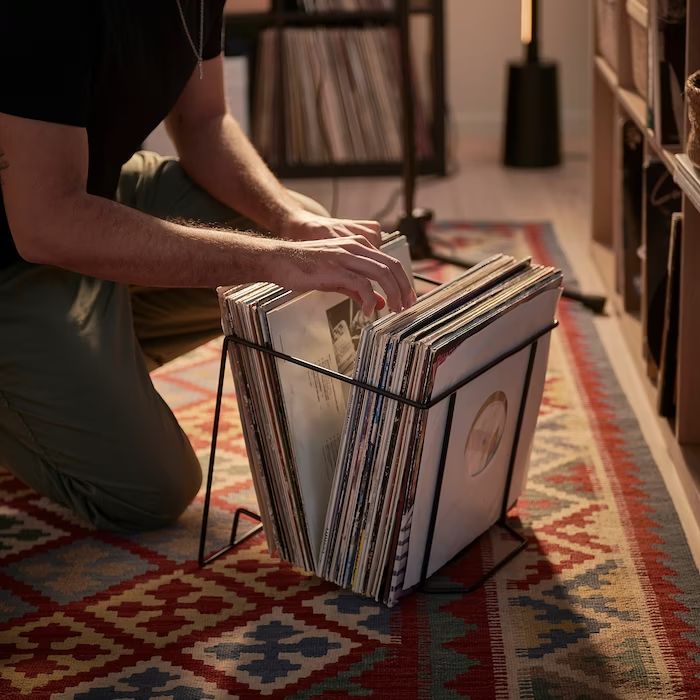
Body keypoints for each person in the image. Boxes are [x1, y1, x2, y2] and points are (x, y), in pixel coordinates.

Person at [0, 1, 415, 532]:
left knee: (311, 238)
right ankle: (41, 401)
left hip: (91, 189)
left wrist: (290, 224)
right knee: (151, 489)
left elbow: (204, 122)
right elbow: (47, 223)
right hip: (20, 248)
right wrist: (275, 259)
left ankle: (80, 374)